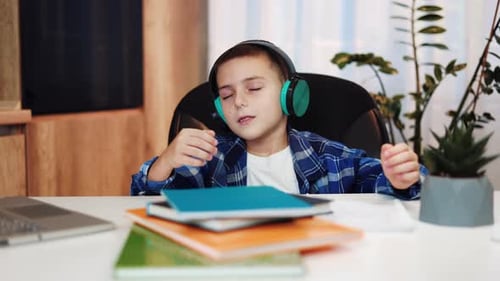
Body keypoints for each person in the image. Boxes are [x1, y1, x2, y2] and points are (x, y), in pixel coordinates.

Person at [131, 40, 427, 199]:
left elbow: (388, 183)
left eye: (254, 88)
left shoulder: (329, 157)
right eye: (227, 95)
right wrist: (166, 161)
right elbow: (150, 198)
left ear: (291, 96)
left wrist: (400, 178)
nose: (240, 101)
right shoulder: (212, 158)